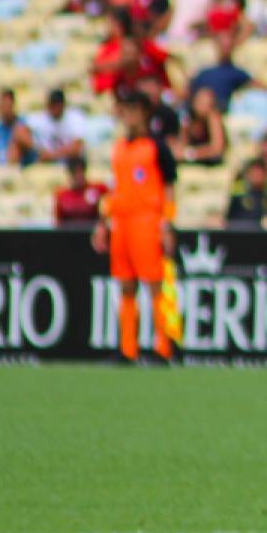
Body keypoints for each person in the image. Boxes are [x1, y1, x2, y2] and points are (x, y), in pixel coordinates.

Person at [94, 91, 177, 364]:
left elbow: (169, 186)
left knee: (154, 284)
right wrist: (103, 222)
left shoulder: (156, 147)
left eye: (133, 110)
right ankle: (128, 348)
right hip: (122, 222)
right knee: (126, 285)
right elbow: (115, 187)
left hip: (147, 220)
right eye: (125, 111)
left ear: (144, 113)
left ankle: (164, 347)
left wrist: (167, 223)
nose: (128, 117)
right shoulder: (119, 148)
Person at [54, 156, 107, 227]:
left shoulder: (98, 189)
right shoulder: (61, 195)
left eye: (81, 172)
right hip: (70, 232)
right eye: (74, 173)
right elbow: (58, 222)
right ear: (69, 174)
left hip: (92, 231)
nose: (78, 176)